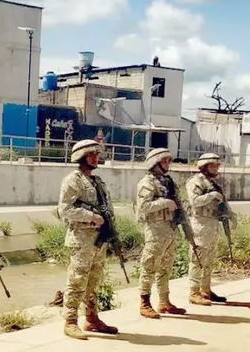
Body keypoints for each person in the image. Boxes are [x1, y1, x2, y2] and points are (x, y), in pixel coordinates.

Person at [57, 140, 119, 339]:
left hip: (99, 239)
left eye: (97, 154)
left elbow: (107, 210)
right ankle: (70, 321)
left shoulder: (97, 181)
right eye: (91, 154)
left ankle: (92, 318)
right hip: (81, 239)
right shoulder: (73, 180)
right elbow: (65, 209)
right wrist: (91, 217)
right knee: (77, 280)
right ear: (81, 157)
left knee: (94, 281)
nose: (96, 158)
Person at [134, 147, 187, 318]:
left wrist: (186, 228)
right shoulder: (146, 183)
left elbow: (178, 205)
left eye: (169, 161)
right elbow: (143, 207)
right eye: (165, 161)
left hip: (169, 229)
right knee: (149, 265)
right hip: (155, 230)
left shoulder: (168, 181)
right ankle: (144, 302)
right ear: (155, 163)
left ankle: (164, 301)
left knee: (166, 267)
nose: (168, 164)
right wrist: (164, 203)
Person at [186, 153, 237, 305]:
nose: (216, 168)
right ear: (204, 166)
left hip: (213, 224)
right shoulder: (195, 182)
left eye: (217, 165)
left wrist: (232, 216)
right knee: (198, 259)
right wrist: (211, 196)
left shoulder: (214, 184)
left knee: (209, 259)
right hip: (200, 223)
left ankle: (205, 289)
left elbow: (223, 203)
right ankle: (194, 292)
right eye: (213, 165)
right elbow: (195, 201)